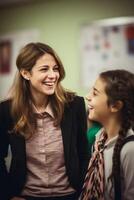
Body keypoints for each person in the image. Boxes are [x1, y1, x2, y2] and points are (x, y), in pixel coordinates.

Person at [0, 42, 89, 200]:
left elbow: (84, 152)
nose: (53, 75)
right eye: (44, 69)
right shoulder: (7, 110)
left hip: (70, 195)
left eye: (55, 69)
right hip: (26, 196)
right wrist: (7, 195)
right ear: (26, 73)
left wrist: (82, 190)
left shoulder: (74, 106)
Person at [80, 69, 134, 200]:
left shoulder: (130, 149)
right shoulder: (99, 139)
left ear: (115, 106)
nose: (88, 97)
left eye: (95, 93)